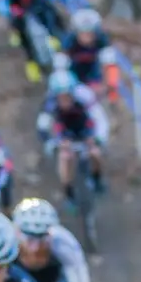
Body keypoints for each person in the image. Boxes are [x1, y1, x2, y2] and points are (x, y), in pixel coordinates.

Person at [36, 69, 110, 205]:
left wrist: (98, 138)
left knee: (95, 153)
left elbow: (100, 119)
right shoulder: (50, 102)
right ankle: (68, 191)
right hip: (65, 134)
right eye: (61, 98)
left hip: (85, 130)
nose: (65, 101)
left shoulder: (85, 95)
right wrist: (52, 142)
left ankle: (97, 177)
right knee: (65, 157)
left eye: (68, 96)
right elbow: (42, 127)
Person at [4, 0, 65, 83]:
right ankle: (33, 63)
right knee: (26, 37)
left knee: (48, 15)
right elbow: (7, 3)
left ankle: (54, 40)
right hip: (23, 16)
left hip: (39, 12)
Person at [54, 8, 120, 103]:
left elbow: (110, 65)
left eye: (90, 33)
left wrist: (109, 87)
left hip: (94, 82)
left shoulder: (102, 41)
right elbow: (60, 66)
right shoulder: (69, 41)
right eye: (83, 33)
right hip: (72, 83)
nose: (87, 37)